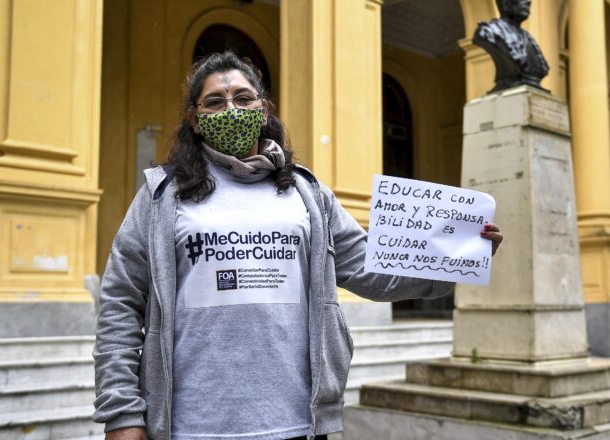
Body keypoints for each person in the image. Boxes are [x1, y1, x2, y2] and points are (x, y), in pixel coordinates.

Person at [92, 51, 503, 440]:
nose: (231, 109)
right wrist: (122, 412)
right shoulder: (162, 195)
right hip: (190, 424)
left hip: (294, 421)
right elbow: (120, 304)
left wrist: (456, 258)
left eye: (243, 97)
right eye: (214, 102)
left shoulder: (306, 192)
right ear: (195, 121)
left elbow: (368, 267)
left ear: (264, 108)